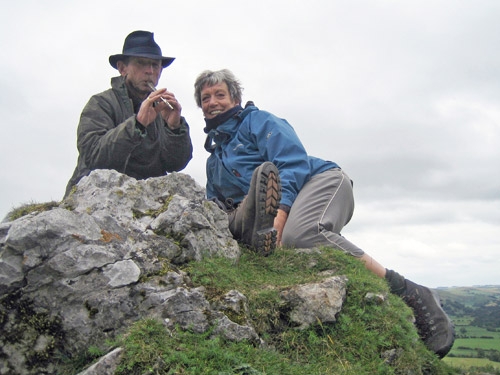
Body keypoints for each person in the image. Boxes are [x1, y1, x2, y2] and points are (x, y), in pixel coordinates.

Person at [193, 69, 455, 358]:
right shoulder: (214, 160)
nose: (212, 102)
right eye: (206, 98)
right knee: (246, 223)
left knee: (300, 235)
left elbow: (291, 163)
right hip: (289, 202)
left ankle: (410, 291)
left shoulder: (259, 121)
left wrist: (279, 216)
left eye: (220, 94)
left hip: (321, 181)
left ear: (236, 98)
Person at [64, 30, 192, 197]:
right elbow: (93, 156)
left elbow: (176, 163)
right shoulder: (101, 103)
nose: (150, 71)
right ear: (122, 68)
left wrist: (174, 128)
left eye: (155, 65)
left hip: (146, 201)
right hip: (97, 199)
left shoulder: (163, 110)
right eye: (141, 63)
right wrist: (137, 124)